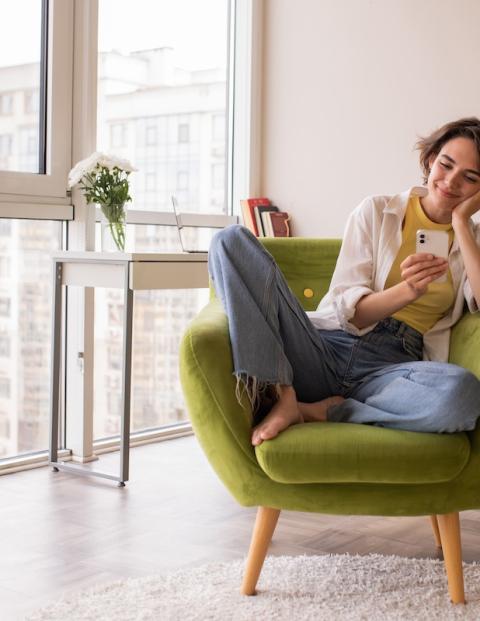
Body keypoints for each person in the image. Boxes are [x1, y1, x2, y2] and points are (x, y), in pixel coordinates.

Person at [208, 117, 480, 446]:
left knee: (463, 394)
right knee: (230, 240)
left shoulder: (471, 243)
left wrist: (462, 224)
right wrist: (407, 291)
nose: (451, 182)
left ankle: (322, 411)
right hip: (324, 348)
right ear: (430, 159)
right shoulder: (377, 211)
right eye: (446, 165)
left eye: (470, 177)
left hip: (392, 372)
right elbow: (352, 315)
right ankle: (281, 392)